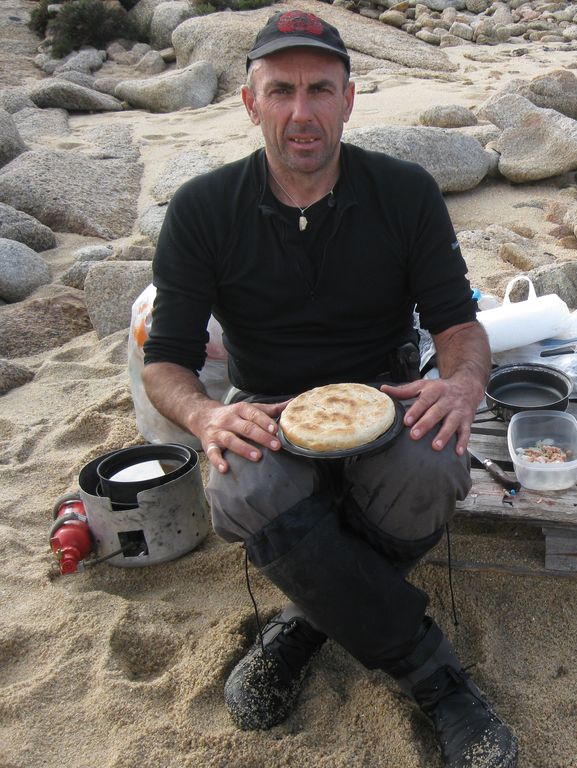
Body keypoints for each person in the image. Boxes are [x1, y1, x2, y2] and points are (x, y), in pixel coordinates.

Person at [142, 10, 517, 768]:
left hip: (386, 400)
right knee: (241, 486)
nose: (301, 112)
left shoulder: (404, 192)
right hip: (270, 409)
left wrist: (463, 383)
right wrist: (207, 414)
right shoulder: (203, 209)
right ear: (250, 102)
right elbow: (166, 361)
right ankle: (437, 679)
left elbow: (457, 324)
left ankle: (305, 621)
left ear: (350, 99)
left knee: (436, 465)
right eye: (280, 90)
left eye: (320, 89)